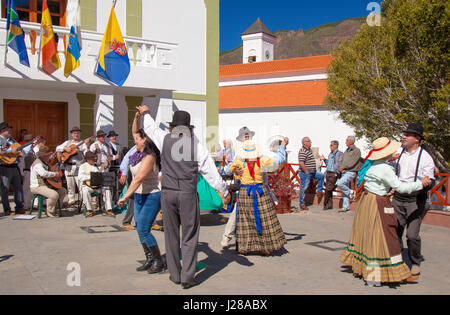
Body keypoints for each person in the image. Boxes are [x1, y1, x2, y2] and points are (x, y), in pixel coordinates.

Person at [137, 104, 231, 289]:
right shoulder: (195, 144)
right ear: (188, 129)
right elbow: (210, 170)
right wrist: (224, 191)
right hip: (187, 193)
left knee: (171, 234)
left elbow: (150, 128)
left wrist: (146, 113)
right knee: (189, 235)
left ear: (172, 127)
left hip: (168, 192)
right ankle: (187, 277)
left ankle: (174, 273)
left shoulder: (164, 139)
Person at [340, 137, 431, 286]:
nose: (395, 152)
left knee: (367, 236)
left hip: (367, 201)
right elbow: (401, 187)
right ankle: (384, 274)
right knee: (384, 238)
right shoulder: (384, 168)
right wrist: (420, 183)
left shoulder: (372, 164)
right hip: (377, 203)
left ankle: (367, 272)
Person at [118, 118, 166, 274]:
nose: (135, 142)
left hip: (151, 196)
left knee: (144, 229)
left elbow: (138, 178)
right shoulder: (139, 154)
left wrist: (125, 196)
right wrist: (137, 117)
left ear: (145, 140)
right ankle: (149, 258)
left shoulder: (149, 157)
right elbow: (134, 131)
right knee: (140, 227)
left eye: (138, 140)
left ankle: (158, 260)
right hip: (139, 196)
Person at [391, 123, 435, 281]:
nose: (404, 136)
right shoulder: (399, 153)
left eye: (408, 134)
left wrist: (427, 182)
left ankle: (415, 262)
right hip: (398, 197)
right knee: (395, 230)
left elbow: (430, 180)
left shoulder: (425, 158)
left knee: (412, 235)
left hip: (416, 200)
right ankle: (397, 262)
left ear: (417, 139)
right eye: (405, 133)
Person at [229, 139, 287, 256]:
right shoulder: (262, 161)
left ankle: (245, 247)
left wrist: (235, 170)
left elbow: (229, 169)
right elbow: (279, 161)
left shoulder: (239, 162)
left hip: (247, 193)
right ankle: (264, 247)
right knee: (264, 218)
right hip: (260, 192)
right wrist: (282, 147)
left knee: (246, 221)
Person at [55, 126, 90, 206]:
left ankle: (83, 201)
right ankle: (71, 200)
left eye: (78, 133)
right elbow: (57, 148)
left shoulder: (83, 143)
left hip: (79, 167)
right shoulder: (68, 142)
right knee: (70, 185)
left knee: (80, 184)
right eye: (74, 133)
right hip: (68, 166)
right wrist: (65, 148)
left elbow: (87, 154)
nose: (76, 134)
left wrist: (87, 146)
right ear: (71, 134)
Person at [29, 146, 67, 218]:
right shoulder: (38, 163)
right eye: (48, 155)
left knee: (63, 191)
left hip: (46, 185)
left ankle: (56, 208)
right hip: (37, 186)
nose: (49, 157)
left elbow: (51, 169)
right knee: (54, 194)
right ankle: (50, 212)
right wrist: (55, 174)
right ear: (43, 156)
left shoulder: (46, 163)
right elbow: (43, 174)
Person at [77, 151, 114, 217]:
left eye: (94, 159)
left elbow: (102, 174)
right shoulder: (83, 166)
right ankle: (90, 210)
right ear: (87, 159)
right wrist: (90, 177)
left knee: (107, 190)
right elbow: (80, 177)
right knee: (85, 191)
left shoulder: (97, 166)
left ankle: (109, 209)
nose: (94, 160)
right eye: (92, 159)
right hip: (88, 186)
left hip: (98, 186)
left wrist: (105, 168)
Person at [0, 122, 25, 215]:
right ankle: (7, 209)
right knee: (5, 188)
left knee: (18, 187)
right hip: (4, 166)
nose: (9, 131)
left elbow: (20, 150)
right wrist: (11, 151)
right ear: (2, 130)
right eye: (7, 129)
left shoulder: (13, 141)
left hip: (15, 166)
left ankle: (19, 207)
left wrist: (26, 148)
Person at [297, 137, 325, 210]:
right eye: (309, 141)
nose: (310, 142)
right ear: (304, 143)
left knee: (322, 176)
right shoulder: (303, 151)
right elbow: (301, 163)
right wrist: (306, 172)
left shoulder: (309, 150)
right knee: (303, 188)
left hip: (312, 171)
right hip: (305, 172)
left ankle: (319, 191)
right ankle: (302, 204)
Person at [336, 136, 362, 212]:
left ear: (351, 141)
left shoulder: (356, 151)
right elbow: (343, 160)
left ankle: (351, 192)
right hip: (344, 171)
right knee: (344, 188)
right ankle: (346, 206)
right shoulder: (346, 151)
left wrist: (344, 167)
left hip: (351, 171)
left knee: (340, 183)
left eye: (347, 140)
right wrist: (341, 168)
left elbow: (353, 162)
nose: (345, 141)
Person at [23, 136, 46, 210]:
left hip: (38, 171)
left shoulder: (42, 150)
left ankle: (36, 204)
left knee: (38, 187)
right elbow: (24, 152)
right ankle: (26, 206)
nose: (42, 143)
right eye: (41, 142)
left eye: (43, 141)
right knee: (27, 189)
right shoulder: (29, 149)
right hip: (28, 170)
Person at [319, 140, 343, 210]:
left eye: (331, 145)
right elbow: (328, 164)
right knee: (329, 189)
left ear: (336, 145)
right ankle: (329, 205)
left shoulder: (339, 154)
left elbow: (339, 164)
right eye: (330, 145)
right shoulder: (330, 154)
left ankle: (325, 204)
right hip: (328, 172)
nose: (330, 146)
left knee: (328, 189)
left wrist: (337, 172)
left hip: (334, 173)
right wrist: (324, 159)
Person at [119, 145, 137, 230]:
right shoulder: (138, 146)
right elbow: (127, 159)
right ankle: (126, 221)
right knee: (132, 197)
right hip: (132, 172)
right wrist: (124, 173)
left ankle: (150, 222)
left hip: (144, 172)